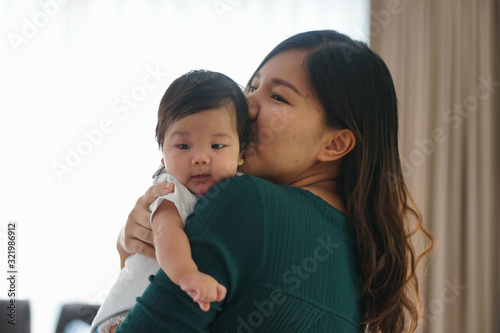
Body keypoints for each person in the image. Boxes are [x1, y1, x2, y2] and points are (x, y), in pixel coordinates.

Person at [114, 30, 435, 333]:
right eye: (252, 87)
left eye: (278, 97)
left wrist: (126, 256)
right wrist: (134, 254)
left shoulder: (247, 201)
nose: (246, 104)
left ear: (334, 144)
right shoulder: (360, 253)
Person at [91, 70, 249, 333]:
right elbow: (167, 232)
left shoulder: (239, 188)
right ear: (163, 156)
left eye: (217, 146)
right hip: (125, 313)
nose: (200, 157)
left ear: (241, 153)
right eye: (184, 146)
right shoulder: (170, 188)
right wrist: (188, 274)